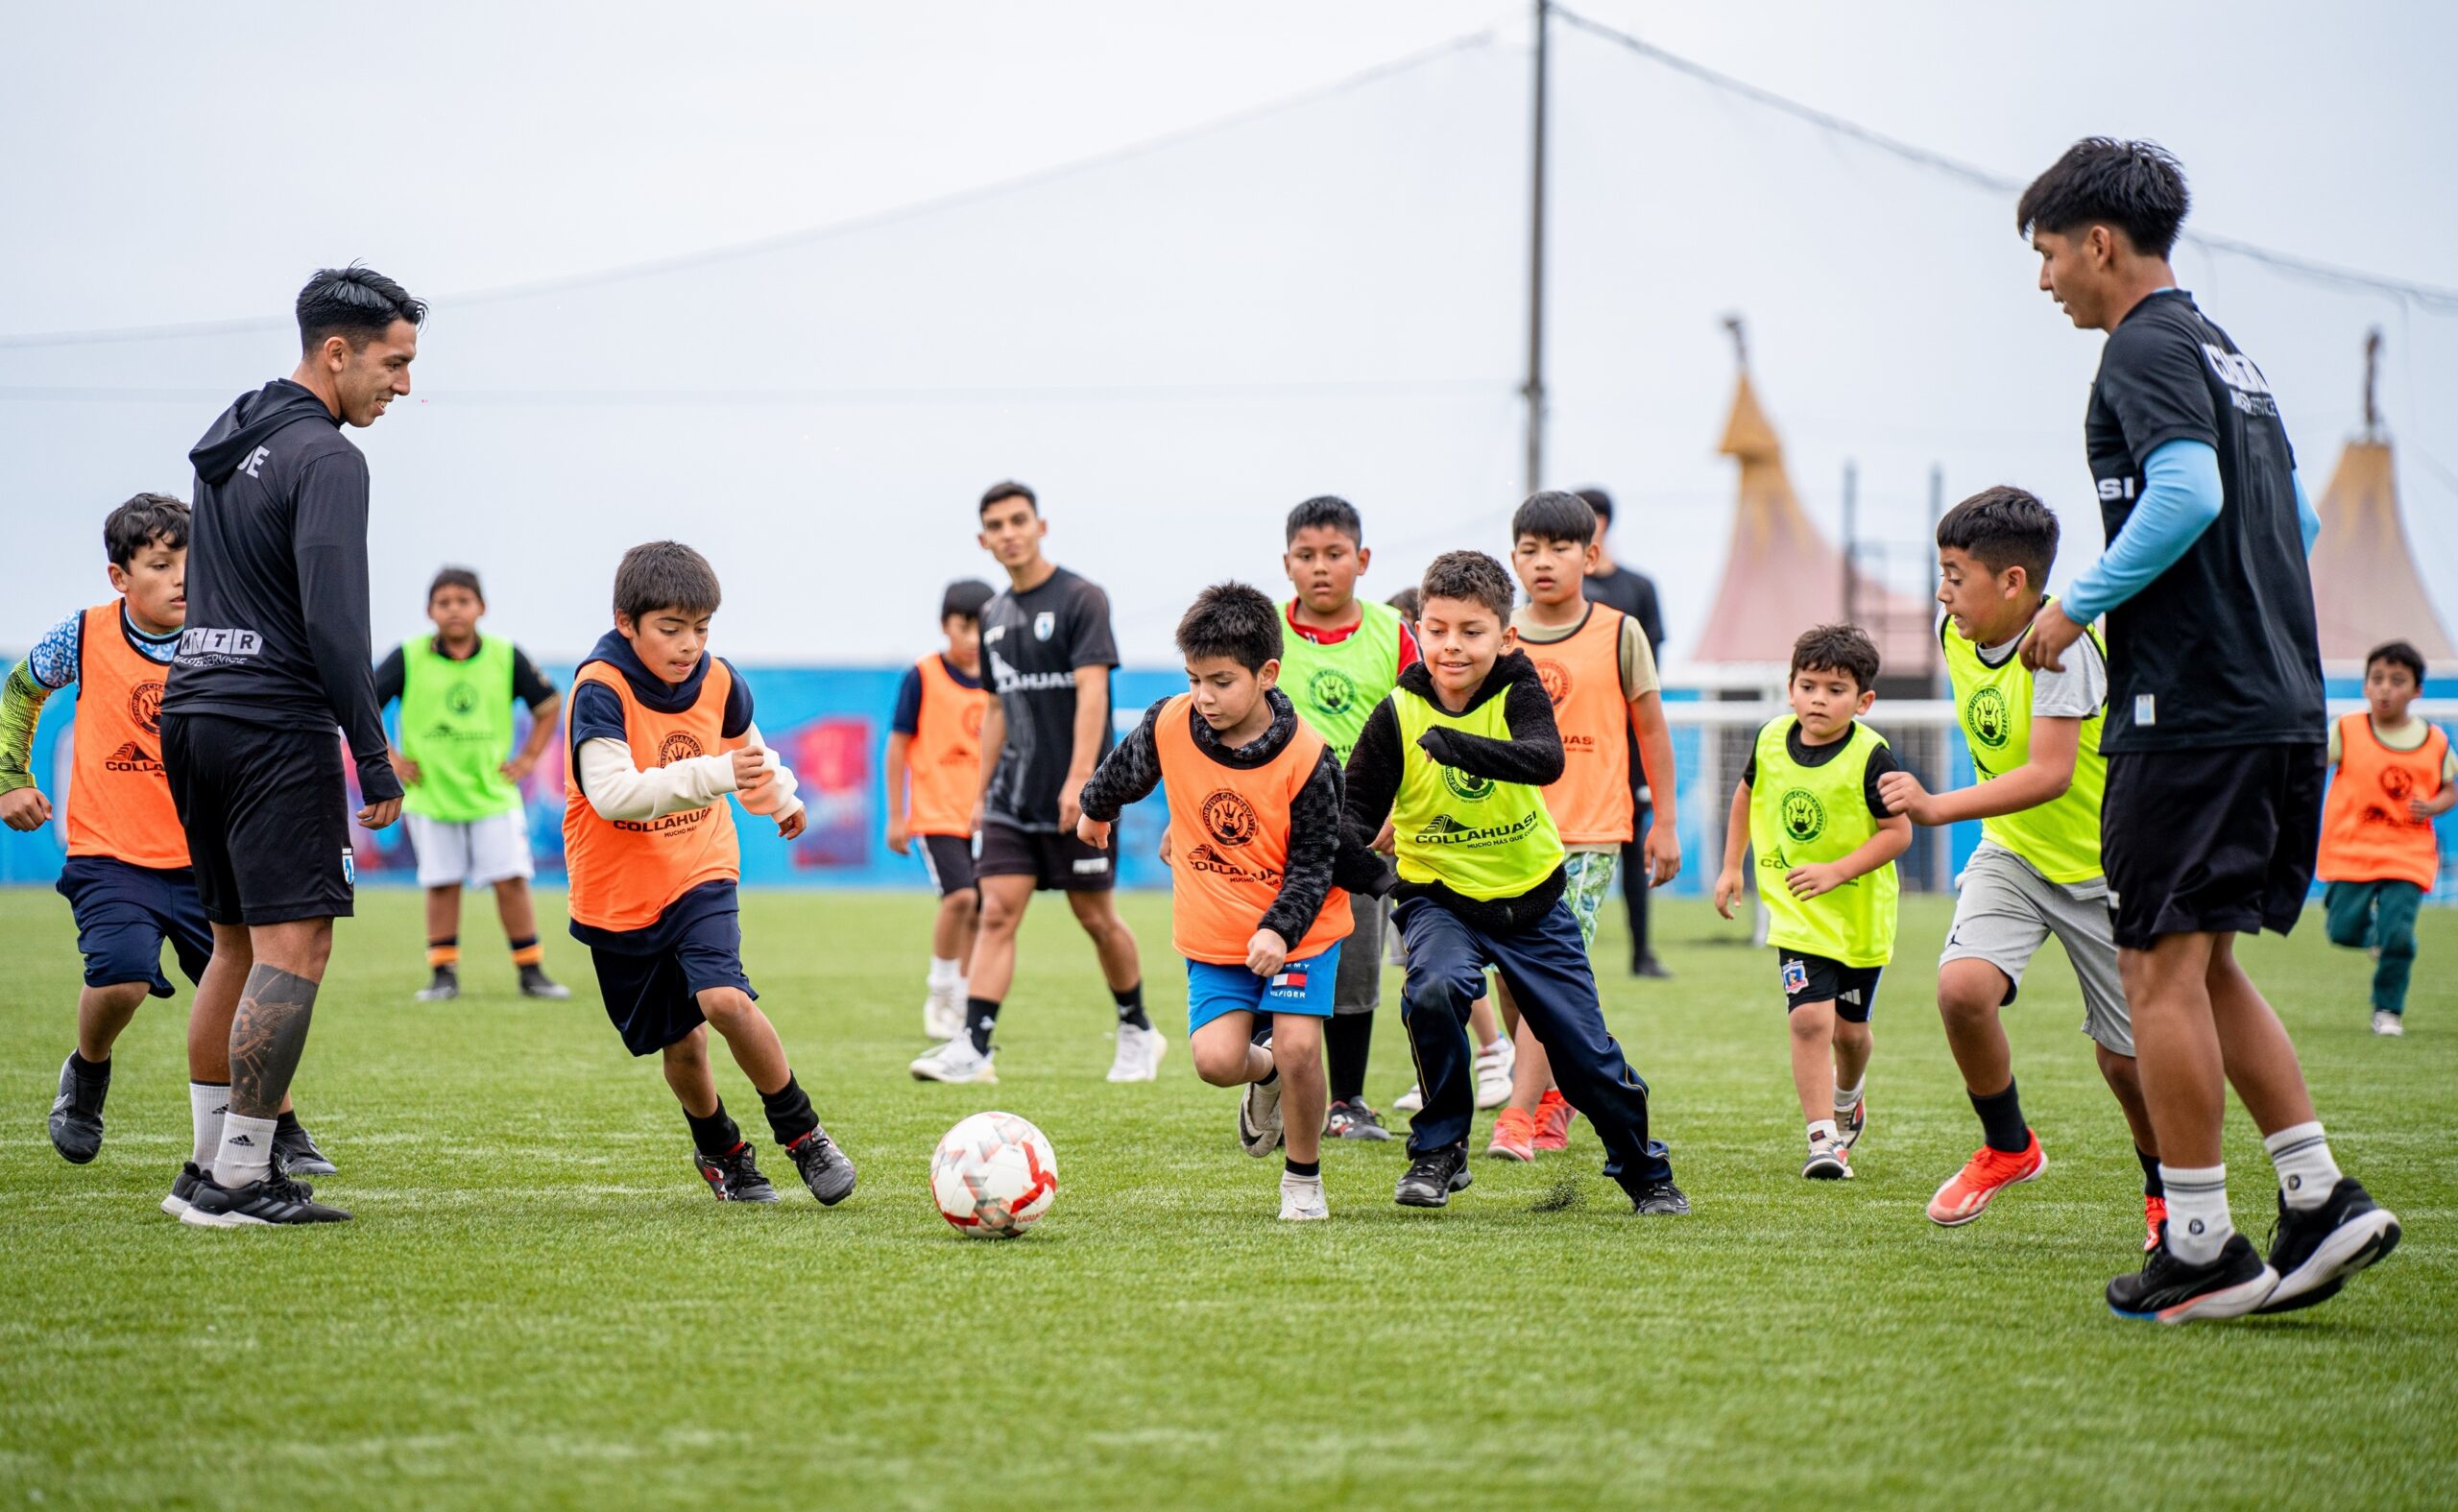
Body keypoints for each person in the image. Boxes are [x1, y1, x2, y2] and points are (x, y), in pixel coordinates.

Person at [2017, 137, 2398, 1320]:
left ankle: (2197, 1246)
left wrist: (2076, 601)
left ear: (2097, 242)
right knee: (2204, 961)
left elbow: (2191, 496)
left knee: (2155, 970)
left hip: (2190, 711)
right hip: (2278, 697)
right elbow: (2293, 523)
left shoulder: (2141, 349)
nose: (2042, 283)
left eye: (2043, 254)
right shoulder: (2230, 355)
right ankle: (2317, 1196)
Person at [165, 266, 420, 1227]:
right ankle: (238, 1177)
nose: (402, 386)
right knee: (295, 946)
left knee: (231, 945)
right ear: (337, 351)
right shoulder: (329, 458)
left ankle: (204, 1167)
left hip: (194, 710)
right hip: (273, 723)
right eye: (392, 364)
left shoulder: (235, 433)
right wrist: (373, 750)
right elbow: (335, 623)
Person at [1342, 550, 1687, 1215]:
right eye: (1437, 629)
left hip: (1533, 902)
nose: (1451, 646)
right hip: (1438, 899)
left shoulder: (1517, 685)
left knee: (1585, 1055)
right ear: (1420, 633)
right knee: (1434, 988)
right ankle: (1439, 1151)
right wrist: (1379, 878)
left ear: (1504, 637)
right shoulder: (1396, 713)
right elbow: (1353, 815)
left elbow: (1544, 758)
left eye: (1471, 631)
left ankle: (1646, 1171)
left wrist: (1455, 743)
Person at [5, 494, 331, 1184]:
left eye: (192, 560)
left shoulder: (229, 634)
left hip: (210, 858)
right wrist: (10, 776)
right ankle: (87, 1073)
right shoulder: (85, 634)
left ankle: (278, 1127)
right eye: (160, 563)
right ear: (119, 577)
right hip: (109, 855)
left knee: (256, 990)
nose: (183, 577)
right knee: (120, 980)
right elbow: (20, 689)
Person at [1876, 488, 2164, 1247]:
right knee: (1962, 990)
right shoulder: (1954, 633)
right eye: (1940, 571)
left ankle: (2165, 1193)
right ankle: (2009, 1146)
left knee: (2126, 1063)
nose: (1943, 591)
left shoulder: (2062, 644)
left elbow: (2051, 773)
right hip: (2013, 853)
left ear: (2012, 582)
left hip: (2107, 870)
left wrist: (1936, 806)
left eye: (1956, 573)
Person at [562, 541, 856, 1206]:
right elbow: (612, 793)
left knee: (724, 997)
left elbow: (748, 754)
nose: (689, 644)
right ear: (625, 621)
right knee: (684, 1043)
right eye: (671, 628)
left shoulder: (720, 680)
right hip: (618, 893)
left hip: (701, 865)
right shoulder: (599, 690)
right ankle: (722, 1150)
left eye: (701, 627)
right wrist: (718, 774)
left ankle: (804, 1134)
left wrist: (780, 796)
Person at [1079, 583, 1373, 1218]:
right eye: (1193, 679)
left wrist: (1278, 930)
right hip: (1215, 932)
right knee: (1215, 1061)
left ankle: (1302, 1179)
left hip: (1301, 930)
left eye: (1220, 681)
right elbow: (1121, 770)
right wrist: (1093, 814)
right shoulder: (1171, 722)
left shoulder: (1308, 758)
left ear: (1267, 674)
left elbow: (1314, 862)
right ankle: (1262, 1075)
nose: (1203, 697)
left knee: (1299, 1045)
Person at [911, 482, 1151, 1085]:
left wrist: (1082, 782)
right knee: (996, 914)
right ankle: (974, 1047)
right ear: (983, 539)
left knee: (1097, 920)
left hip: (1076, 797)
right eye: (996, 525)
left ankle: (1137, 1030)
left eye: (1019, 520)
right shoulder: (992, 615)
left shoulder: (1081, 598)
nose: (1009, 532)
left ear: (1041, 526)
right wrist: (978, 797)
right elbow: (995, 709)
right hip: (1010, 801)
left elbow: (1093, 692)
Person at [1487, 492, 1680, 1162]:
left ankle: (1516, 1112)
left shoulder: (1620, 631)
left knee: (1542, 972)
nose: (1544, 562)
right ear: (1513, 558)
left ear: (1590, 555)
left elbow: (1651, 728)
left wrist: (1666, 824)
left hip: (1591, 834)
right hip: (1509, 835)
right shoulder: (1498, 632)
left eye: (1560, 548)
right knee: (1509, 980)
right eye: (1530, 550)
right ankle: (1555, 1092)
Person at [1714, 625, 1911, 1181]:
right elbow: (1746, 794)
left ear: (1863, 700)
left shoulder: (1873, 755)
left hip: (1859, 918)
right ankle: (1824, 1139)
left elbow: (1898, 834)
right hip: (1797, 914)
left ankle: (1849, 1095)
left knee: (1850, 1033)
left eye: (1835, 689)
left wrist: (1837, 871)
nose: (1818, 699)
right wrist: (1733, 866)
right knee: (1808, 1022)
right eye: (1808, 685)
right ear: (1791, 687)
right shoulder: (1771, 738)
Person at [1275, 495, 1419, 1141]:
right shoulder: (1266, 633)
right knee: (1266, 952)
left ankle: (1349, 1100)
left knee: (1357, 961)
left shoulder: (1395, 631)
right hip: (1277, 829)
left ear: (1362, 560)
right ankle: (1271, 1085)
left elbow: (1425, 723)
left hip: (1366, 827)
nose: (1321, 567)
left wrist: (1400, 806)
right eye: (1307, 555)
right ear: (1287, 564)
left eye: (1335, 554)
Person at [377, 566, 567, 1003]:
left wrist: (529, 758)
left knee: (511, 880)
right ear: (430, 611)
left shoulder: (505, 654)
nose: (454, 610)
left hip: (492, 793)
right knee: (441, 883)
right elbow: (366, 703)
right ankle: (443, 974)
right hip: (432, 792)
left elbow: (549, 703)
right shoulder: (408, 656)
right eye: (444, 602)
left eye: (463, 601)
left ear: (480, 607)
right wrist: (388, 756)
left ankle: (531, 971)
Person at [2318, 640, 2452, 1037]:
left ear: (2416, 691)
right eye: (2377, 679)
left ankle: (2388, 1010)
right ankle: (2383, 941)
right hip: (2352, 851)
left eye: (2397, 681)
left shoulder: (2435, 741)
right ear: (2364, 686)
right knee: (2341, 930)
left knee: (2399, 934)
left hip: (2407, 854)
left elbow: (2450, 787)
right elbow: (2309, 763)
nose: (2385, 689)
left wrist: (2434, 805)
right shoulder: (2346, 730)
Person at [887, 579, 995, 1041]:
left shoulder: (998, 681)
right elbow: (896, 747)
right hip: (936, 813)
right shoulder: (923, 675)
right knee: (960, 898)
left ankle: (966, 1001)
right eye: (963, 627)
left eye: (982, 628)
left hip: (986, 817)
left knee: (984, 910)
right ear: (945, 625)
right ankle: (941, 992)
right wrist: (896, 815)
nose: (972, 639)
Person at [1574, 487, 1674, 978]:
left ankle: (1642, 953)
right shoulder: (1544, 597)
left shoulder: (1639, 587)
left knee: (1634, 845)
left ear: (1604, 523)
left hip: (1626, 744)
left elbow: (1647, 669)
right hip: (1569, 749)